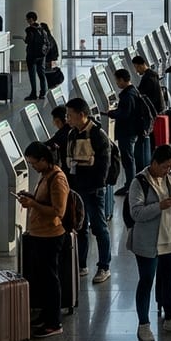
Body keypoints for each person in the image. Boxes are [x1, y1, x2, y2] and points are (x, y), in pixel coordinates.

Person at [127, 143, 171, 340]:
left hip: (170, 237)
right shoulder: (140, 182)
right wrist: (159, 206)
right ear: (154, 163)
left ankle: (170, 317)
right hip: (147, 241)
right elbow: (136, 213)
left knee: (169, 279)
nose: (168, 170)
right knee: (146, 280)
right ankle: (143, 324)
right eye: (165, 166)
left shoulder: (170, 178)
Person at [17, 141, 68, 339]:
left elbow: (58, 211)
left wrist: (33, 205)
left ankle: (54, 322)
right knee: (43, 279)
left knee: (50, 280)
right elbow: (44, 201)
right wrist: (31, 198)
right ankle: (46, 315)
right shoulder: (45, 175)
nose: (33, 167)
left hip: (51, 236)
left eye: (34, 163)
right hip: (40, 234)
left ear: (44, 160)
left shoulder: (57, 179)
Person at [65, 98, 113, 284]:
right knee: (80, 227)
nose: (67, 118)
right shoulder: (72, 134)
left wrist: (96, 186)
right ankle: (81, 264)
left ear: (81, 115)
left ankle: (104, 266)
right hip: (77, 189)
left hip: (93, 189)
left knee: (99, 227)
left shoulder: (97, 135)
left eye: (70, 115)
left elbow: (104, 166)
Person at [104, 69, 149, 197]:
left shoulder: (127, 95)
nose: (117, 83)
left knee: (128, 159)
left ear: (122, 80)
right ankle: (131, 183)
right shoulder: (134, 90)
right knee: (130, 158)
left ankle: (130, 185)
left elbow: (124, 114)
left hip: (127, 131)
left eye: (117, 80)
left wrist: (112, 113)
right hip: (132, 130)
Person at [24, 12, 48, 101]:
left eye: (27, 19)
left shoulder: (29, 29)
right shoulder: (42, 29)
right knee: (41, 74)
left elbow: (28, 40)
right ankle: (43, 93)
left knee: (32, 75)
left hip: (32, 55)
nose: (26, 21)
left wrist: (25, 40)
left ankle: (33, 93)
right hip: (41, 55)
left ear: (31, 19)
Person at [47, 105, 73, 172]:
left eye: (55, 122)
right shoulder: (73, 128)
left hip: (69, 169)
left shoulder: (63, 132)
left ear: (59, 121)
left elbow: (47, 144)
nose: (55, 125)